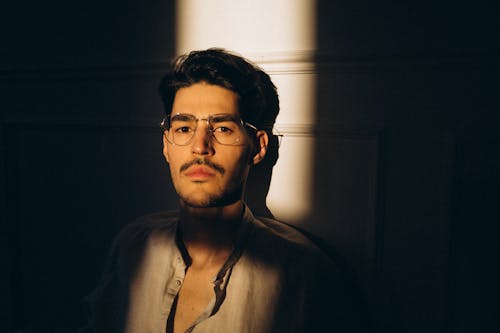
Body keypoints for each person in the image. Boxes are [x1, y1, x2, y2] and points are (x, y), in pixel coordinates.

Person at [84, 48, 367, 333]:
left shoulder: (303, 274)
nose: (200, 146)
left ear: (258, 147)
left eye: (222, 128)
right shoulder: (133, 245)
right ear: (166, 144)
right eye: (184, 128)